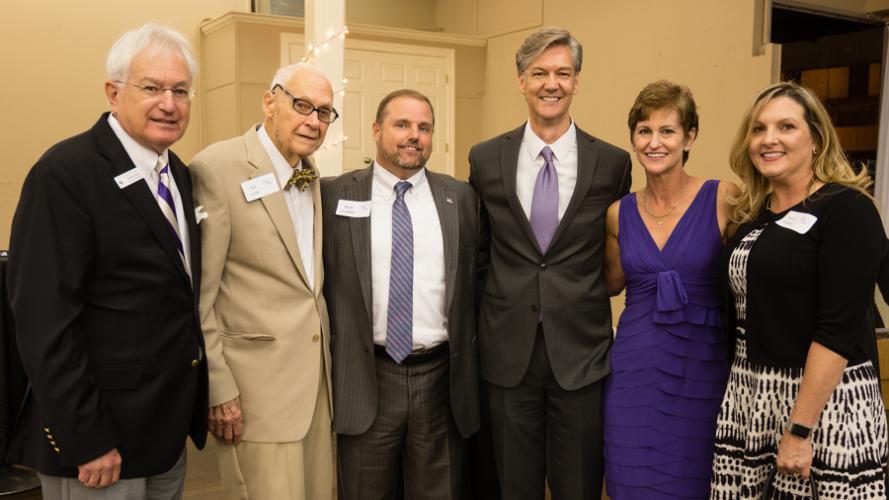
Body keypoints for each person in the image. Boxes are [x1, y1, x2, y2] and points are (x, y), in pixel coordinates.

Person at [7, 23, 207, 498]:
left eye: (181, 90)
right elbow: (43, 323)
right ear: (113, 92)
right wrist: (87, 437)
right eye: (153, 87)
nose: (169, 103)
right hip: (100, 446)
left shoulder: (176, 172)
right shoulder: (65, 174)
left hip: (163, 434)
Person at [468, 27, 631, 499]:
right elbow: (481, 251)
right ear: (521, 80)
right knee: (512, 486)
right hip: (507, 353)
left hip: (580, 355)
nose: (550, 84)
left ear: (577, 80)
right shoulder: (486, 158)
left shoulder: (613, 163)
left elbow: (616, 246)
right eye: (539, 73)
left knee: (578, 486)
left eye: (562, 72)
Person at [710, 81, 889, 498]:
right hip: (750, 399)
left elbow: (838, 328)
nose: (768, 139)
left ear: (816, 139)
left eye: (786, 126)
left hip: (824, 408)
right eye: (758, 129)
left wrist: (800, 428)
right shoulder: (753, 217)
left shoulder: (847, 209)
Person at [322, 89, 480, 499]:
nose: (414, 136)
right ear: (376, 130)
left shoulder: (460, 198)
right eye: (402, 124)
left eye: (424, 127)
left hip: (440, 381)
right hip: (367, 377)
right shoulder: (334, 195)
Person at [189, 63, 335, 500]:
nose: (313, 120)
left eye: (325, 112)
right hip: (255, 393)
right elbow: (201, 295)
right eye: (302, 105)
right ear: (269, 101)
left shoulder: (310, 174)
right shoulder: (217, 167)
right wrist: (218, 387)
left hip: (315, 388)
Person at [601, 81, 735, 499]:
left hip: (703, 369)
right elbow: (608, 283)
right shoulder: (617, 213)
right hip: (633, 372)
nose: (654, 142)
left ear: (689, 137)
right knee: (630, 477)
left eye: (667, 131)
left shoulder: (725, 198)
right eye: (644, 131)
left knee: (693, 481)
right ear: (633, 139)